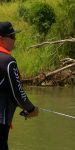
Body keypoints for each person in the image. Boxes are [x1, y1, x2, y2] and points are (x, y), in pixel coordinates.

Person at [0, 21, 39, 150]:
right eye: (11, 36)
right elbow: (17, 91)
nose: (15, 39)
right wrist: (31, 109)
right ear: (1, 38)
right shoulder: (8, 61)